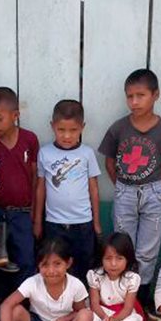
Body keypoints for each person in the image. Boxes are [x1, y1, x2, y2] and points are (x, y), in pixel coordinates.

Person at [99, 68, 161, 304]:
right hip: (125, 192)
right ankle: (122, 300)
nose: (134, 101)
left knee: (148, 251)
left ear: (156, 95)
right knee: (124, 247)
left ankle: (142, 300)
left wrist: (156, 187)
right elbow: (110, 162)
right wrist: (124, 187)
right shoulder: (118, 128)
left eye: (140, 95)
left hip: (154, 193)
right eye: (130, 96)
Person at [35, 99, 102, 282]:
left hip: (83, 223)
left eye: (73, 130)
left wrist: (96, 223)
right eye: (61, 130)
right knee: (56, 265)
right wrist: (37, 221)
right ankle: (58, 305)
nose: (67, 136)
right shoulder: (45, 153)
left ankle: (84, 305)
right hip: (54, 223)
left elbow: (94, 189)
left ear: (82, 127)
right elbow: (40, 189)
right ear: (52, 126)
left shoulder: (87, 153)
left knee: (84, 266)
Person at [0, 86, 38, 283]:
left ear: (15, 115)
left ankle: (23, 309)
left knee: (25, 261)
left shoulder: (29, 139)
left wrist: (36, 214)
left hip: (22, 213)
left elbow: (35, 177)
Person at [81, 232, 145, 321]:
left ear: (127, 259)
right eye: (108, 258)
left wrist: (114, 320)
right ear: (101, 259)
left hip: (123, 314)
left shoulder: (132, 279)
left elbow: (128, 308)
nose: (113, 264)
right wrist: (104, 318)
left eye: (119, 258)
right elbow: (95, 303)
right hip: (102, 312)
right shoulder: (95, 275)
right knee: (89, 319)